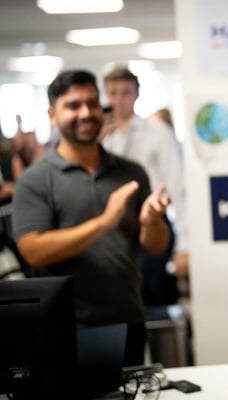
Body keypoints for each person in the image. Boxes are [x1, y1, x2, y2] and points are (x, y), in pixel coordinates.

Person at [11, 69, 172, 366]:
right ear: (52, 114)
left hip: (127, 319)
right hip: (64, 328)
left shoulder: (130, 172)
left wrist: (152, 223)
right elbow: (33, 252)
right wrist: (103, 222)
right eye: (73, 105)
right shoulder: (35, 180)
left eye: (92, 103)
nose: (86, 112)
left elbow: (155, 246)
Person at [101, 67, 188, 306]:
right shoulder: (99, 139)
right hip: (112, 231)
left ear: (136, 94)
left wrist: (184, 245)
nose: (119, 99)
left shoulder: (157, 132)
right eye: (113, 93)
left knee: (155, 301)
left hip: (152, 224)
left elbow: (178, 187)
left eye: (125, 92)